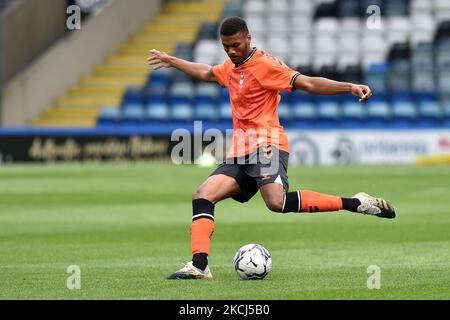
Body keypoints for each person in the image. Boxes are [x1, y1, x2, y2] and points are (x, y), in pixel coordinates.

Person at [147, 16, 395, 280]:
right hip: (240, 151)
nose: (231, 51)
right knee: (203, 195)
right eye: (226, 46)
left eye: (236, 45)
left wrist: (350, 87)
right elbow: (207, 73)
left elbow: (308, 83)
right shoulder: (231, 68)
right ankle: (199, 266)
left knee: (276, 203)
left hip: (268, 144)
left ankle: (355, 203)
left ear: (248, 39)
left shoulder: (265, 65)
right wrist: (172, 61)